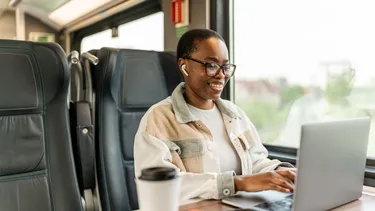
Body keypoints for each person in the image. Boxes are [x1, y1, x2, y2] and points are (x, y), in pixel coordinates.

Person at [134, 28, 296, 202]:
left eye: (225, 67)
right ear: (184, 66)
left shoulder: (235, 115)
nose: (221, 75)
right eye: (211, 65)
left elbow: (255, 162)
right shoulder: (157, 119)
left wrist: (280, 171)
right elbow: (159, 187)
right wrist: (237, 183)